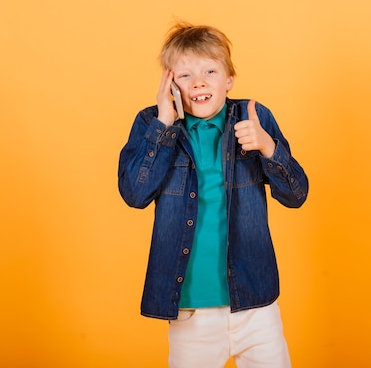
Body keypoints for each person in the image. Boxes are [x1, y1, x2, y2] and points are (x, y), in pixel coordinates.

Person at [118, 22, 309, 368]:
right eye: (185, 75)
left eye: (209, 71)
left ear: (229, 80)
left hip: (256, 305)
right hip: (191, 313)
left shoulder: (253, 117)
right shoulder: (153, 124)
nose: (199, 82)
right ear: (169, 83)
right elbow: (134, 193)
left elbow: (296, 194)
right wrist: (163, 124)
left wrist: (268, 148)